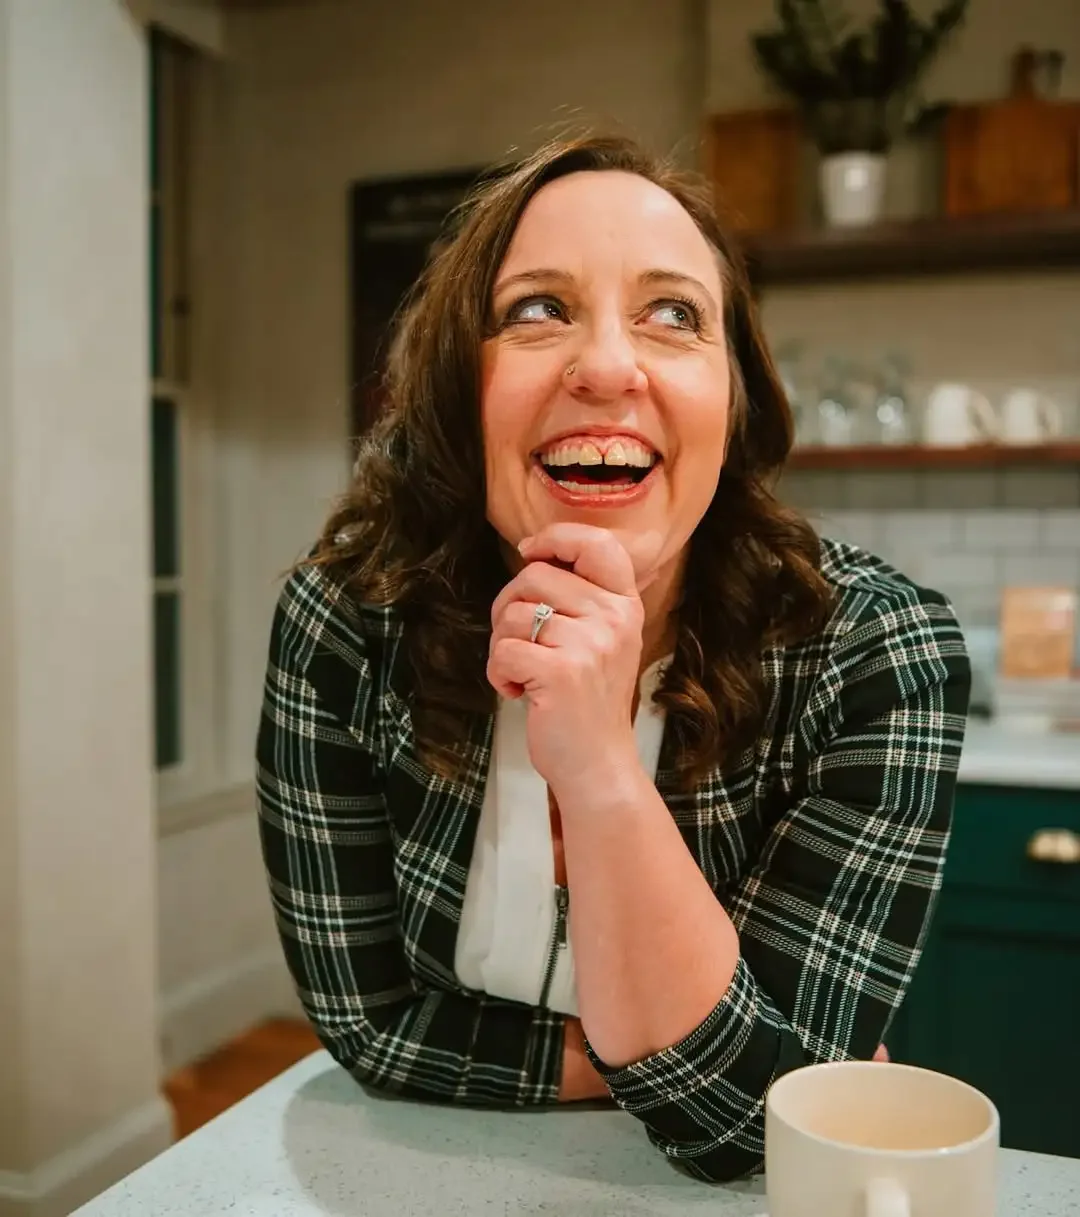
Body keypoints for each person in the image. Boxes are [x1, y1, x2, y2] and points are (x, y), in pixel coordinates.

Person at [255, 133, 970, 1183]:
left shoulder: (878, 654)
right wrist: (708, 1055)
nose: (605, 367)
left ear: (734, 398)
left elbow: (753, 1136)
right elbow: (373, 1026)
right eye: (536, 308)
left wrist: (595, 769)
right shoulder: (345, 623)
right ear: (460, 388)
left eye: (673, 312)